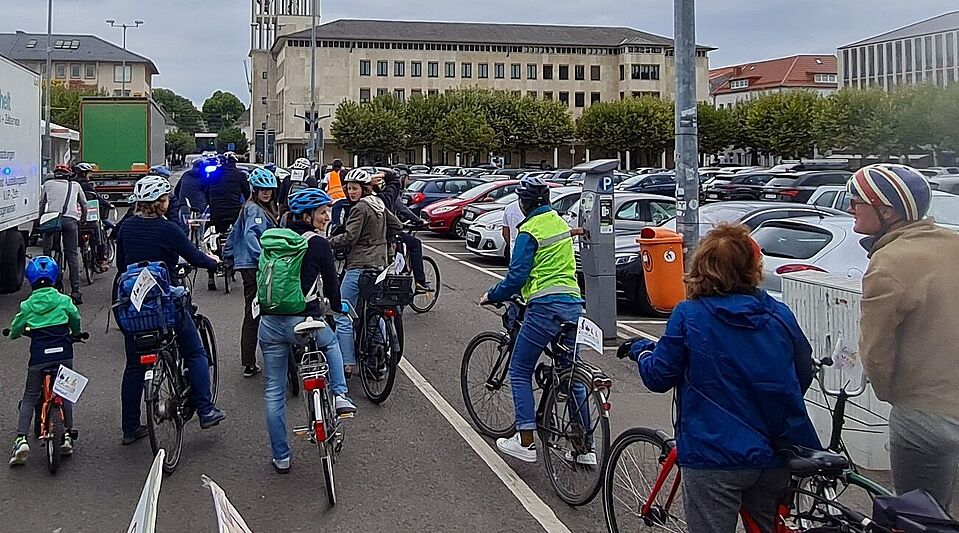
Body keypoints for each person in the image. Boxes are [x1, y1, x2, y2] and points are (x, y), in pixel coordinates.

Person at [623, 223, 820, 533]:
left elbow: (659, 376)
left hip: (714, 452)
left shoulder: (690, 315)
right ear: (752, 268)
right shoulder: (779, 314)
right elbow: (802, 372)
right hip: (775, 449)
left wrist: (642, 352)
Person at [848, 164, 959, 510]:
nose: (850, 207)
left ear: (888, 211)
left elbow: (876, 351)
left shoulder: (888, 262)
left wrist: (890, 392)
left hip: (924, 415)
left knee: (919, 514)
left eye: (857, 201)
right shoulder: (953, 244)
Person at [479, 175, 587, 464]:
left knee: (519, 369)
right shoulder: (559, 223)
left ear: (523, 203)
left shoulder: (529, 230)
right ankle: (585, 448)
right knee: (571, 373)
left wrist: (492, 294)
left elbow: (516, 277)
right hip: (573, 305)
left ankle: (525, 441)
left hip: (544, 307)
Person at [114, 175, 226, 445]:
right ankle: (205, 409)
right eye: (166, 199)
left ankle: (130, 428)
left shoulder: (126, 228)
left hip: (135, 308)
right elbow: (194, 257)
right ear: (160, 202)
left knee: (134, 366)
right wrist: (215, 263)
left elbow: (121, 266)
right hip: (165, 305)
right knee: (195, 352)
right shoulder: (169, 229)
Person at [259, 188, 357, 474]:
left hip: (270, 322)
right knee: (332, 343)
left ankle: (281, 457)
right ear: (307, 216)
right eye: (322, 213)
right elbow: (332, 285)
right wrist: (337, 307)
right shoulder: (318, 243)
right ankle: (339, 394)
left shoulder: (276, 240)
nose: (327, 217)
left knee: (274, 390)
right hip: (305, 321)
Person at [6, 256, 83, 466]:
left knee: (30, 396)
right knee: (65, 393)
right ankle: (67, 434)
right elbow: (75, 319)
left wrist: (14, 333)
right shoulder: (64, 300)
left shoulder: (28, 305)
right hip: (64, 354)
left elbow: (15, 329)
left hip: (39, 357)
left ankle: (21, 440)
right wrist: (76, 333)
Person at [329, 168, 403, 376]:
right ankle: (378, 357)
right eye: (348, 188)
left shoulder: (360, 208)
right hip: (379, 266)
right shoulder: (377, 203)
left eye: (355, 188)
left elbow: (349, 237)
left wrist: (327, 242)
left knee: (342, 312)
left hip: (359, 266)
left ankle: (347, 362)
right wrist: (382, 242)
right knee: (375, 312)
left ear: (364, 188)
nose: (351, 192)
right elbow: (397, 225)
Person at [224, 168, 279, 378]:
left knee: (253, 311)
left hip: (248, 264)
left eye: (269, 189)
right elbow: (250, 236)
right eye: (262, 189)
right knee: (258, 311)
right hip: (254, 266)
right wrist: (263, 259)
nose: (266, 192)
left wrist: (228, 254)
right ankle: (253, 360)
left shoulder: (250, 207)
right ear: (254, 190)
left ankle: (249, 361)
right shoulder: (255, 210)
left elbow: (235, 233)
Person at [373, 169, 430, 291]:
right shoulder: (389, 195)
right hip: (388, 233)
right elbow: (402, 209)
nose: (408, 181)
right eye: (407, 178)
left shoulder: (373, 196)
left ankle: (402, 270)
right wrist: (419, 221)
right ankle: (420, 282)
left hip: (377, 233)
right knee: (415, 243)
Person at [40, 165, 87, 305]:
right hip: (70, 221)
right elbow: (84, 204)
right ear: (69, 175)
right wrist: (83, 219)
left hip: (51, 220)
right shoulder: (75, 185)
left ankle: (47, 284)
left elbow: (42, 203)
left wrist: (40, 219)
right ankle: (75, 291)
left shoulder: (48, 184)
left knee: (47, 252)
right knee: (72, 254)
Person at [206, 153, 250, 291]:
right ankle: (236, 260)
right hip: (234, 212)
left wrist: (211, 204)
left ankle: (210, 273)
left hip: (216, 212)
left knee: (210, 236)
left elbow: (207, 192)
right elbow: (247, 193)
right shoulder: (239, 175)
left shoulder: (213, 175)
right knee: (239, 234)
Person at [73, 162, 113, 273]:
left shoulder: (72, 183)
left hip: (75, 216)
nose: (90, 175)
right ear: (84, 173)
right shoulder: (87, 186)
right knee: (99, 232)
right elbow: (98, 198)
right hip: (89, 214)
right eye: (89, 173)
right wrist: (109, 205)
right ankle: (102, 259)